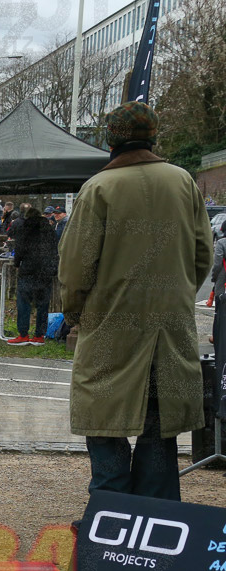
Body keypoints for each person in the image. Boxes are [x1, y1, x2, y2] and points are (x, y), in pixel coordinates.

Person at [59, 101, 212, 502]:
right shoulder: (183, 182)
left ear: (110, 139)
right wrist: (173, 294)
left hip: (110, 327)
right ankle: (158, 532)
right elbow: (201, 255)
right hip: (169, 328)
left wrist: (75, 314)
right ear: (153, 136)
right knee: (159, 435)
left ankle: (110, 527)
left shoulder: (98, 189)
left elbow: (76, 267)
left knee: (106, 432)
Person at [7, 208, 58, 345]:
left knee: (24, 302)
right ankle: (39, 335)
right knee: (43, 304)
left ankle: (23, 334)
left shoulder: (25, 228)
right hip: (45, 270)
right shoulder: (49, 229)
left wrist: (17, 263)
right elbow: (55, 248)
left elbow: (20, 248)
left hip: (28, 269)